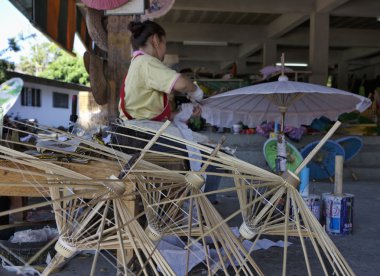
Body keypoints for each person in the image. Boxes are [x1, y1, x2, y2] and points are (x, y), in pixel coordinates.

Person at [119, 20, 203, 122]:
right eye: (165, 43)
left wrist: (182, 114)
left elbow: (147, 114)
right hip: (142, 130)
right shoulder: (146, 62)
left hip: (139, 126)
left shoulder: (137, 63)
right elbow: (182, 84)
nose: (165, 49)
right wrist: (196, 91)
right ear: (155, 40)